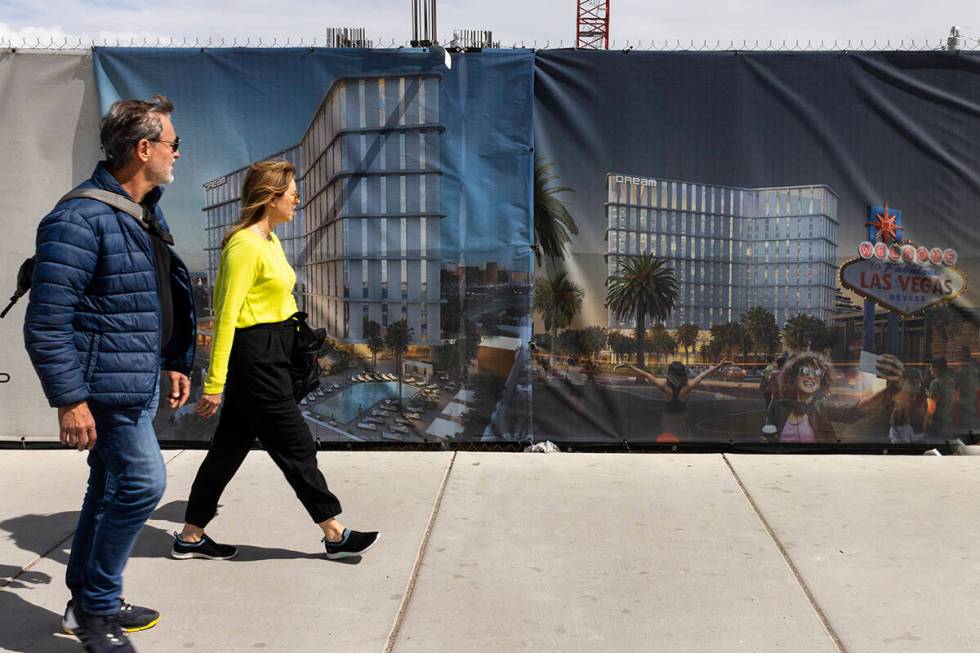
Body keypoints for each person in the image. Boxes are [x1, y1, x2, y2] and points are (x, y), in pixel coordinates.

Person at [24, 95, 195, 652]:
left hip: (138, 378)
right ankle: (96, 609)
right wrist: (69, 400)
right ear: (143, 149)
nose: (178, 154)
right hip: (104, 388)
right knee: (144, 483)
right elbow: (47, 321)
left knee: (111, 485)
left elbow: (150, 297)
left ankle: (88, 600)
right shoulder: (77, 218)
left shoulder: (146, 210)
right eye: (173, 144)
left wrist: (172, 359)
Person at [172, 160, 379, 562]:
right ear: (270, 197)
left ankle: (190, 535)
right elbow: (226, 315)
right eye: (292, 193)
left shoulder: (271, 240)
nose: (297, 199)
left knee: (228, 449)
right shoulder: (244, 244)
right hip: (255, 358)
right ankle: (334, 533)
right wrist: (214, 383)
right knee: (295, 442)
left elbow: (280, 299)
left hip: (276, 349)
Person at [766, 351, 903, 444]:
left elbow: (856, 410)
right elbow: (767, 438)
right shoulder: (778, 407)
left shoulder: (822, 407)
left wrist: (893, 389)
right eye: (805, 371)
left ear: (822, 381)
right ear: (794, 377)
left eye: (817, 372)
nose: (811, 376)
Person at [618, 359, 728, 440]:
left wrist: (629, 365)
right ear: (683, 374)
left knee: (668, 441)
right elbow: (704, 374)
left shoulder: (665, 387)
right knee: (682, 441)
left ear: (670, 374)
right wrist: (719, 364)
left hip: (668, 419)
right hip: (682, 418)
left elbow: (646, 374)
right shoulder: (687, 388)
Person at [925, 356, 956, 439]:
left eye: (931, 366)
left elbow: (932, 407)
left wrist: (926, 422)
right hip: (949, 420)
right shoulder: (951, 381)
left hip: (938, 421)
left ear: (936, 368)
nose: (930, 369)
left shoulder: (935, 383)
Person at [955, 346, 979, 432]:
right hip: (972, 405)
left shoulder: (961, 372)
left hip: (965, 405)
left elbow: (957, 388)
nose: (959, 357)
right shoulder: (974, 370)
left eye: (961, 354)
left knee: (965, 431)